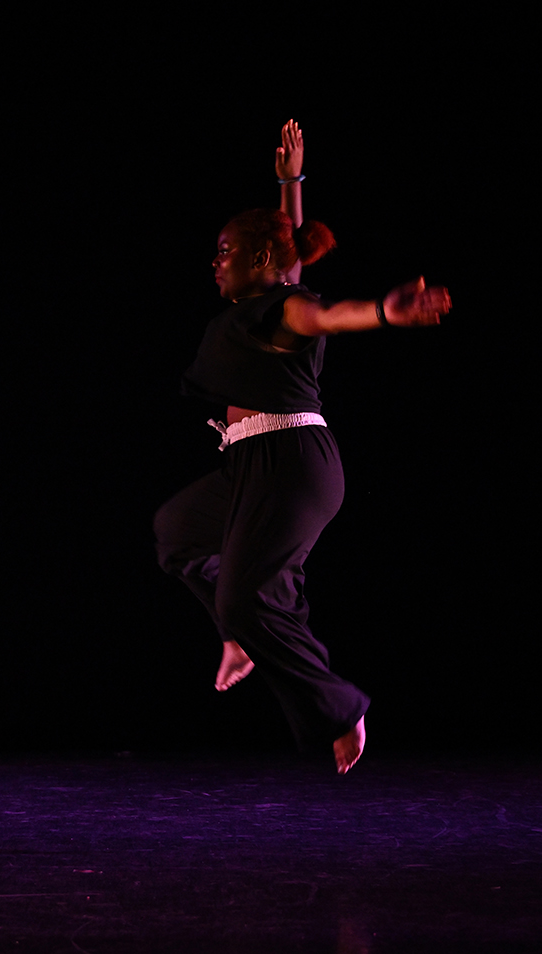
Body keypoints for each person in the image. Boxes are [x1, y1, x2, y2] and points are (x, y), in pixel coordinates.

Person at [153, 121, 451, 774]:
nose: (216, 259)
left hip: (293, 467)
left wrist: (383, 313)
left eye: (227, 250)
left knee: (242, 597)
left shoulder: (288, 309)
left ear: (259, 260)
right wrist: (289, 183)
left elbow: (328, 315)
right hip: (250, 462)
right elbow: (287, 246)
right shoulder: (269, 287)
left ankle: (338, 707)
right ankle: (241, 633)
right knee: (176, 530)